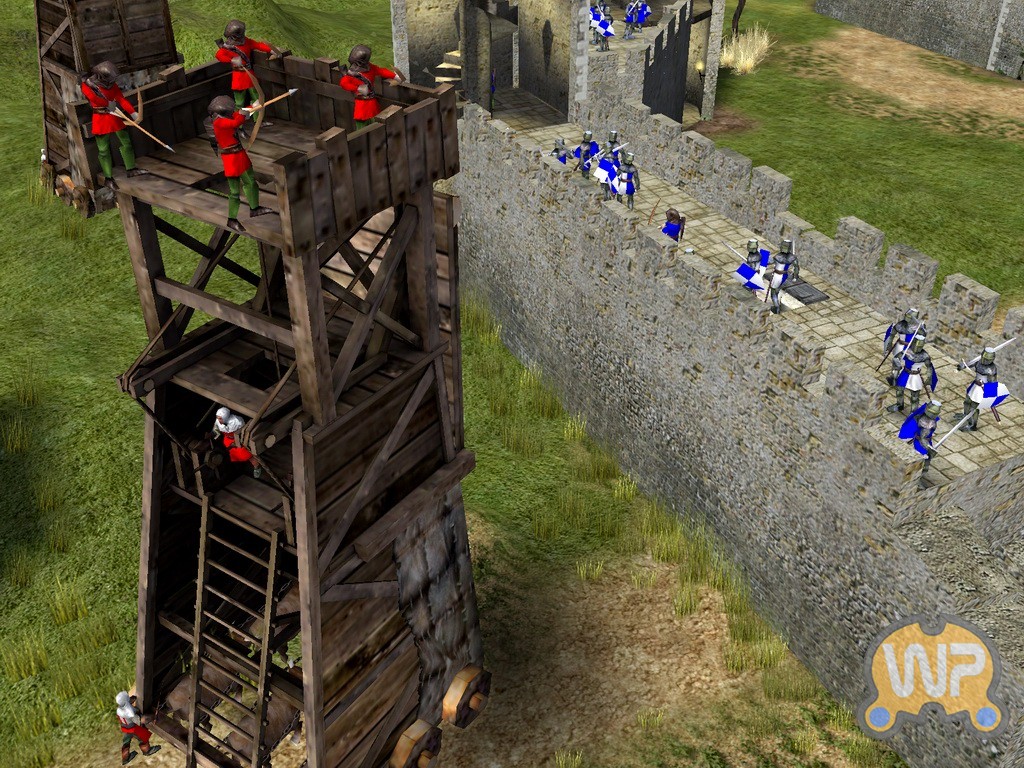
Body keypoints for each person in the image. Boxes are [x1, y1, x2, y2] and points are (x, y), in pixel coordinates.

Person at [207, 96, 274, 233]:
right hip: (231, 159)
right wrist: (245, 113)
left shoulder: (226, 117)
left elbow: (238, 114)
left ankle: (254, 208)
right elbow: (235, 122)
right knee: (234, 192)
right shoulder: (219, 122)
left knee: (251, 182)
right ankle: (232, 220)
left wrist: (253, 106)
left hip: (240, 155)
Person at [80, 61, 149, 190]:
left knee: (126, 143)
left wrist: (133, 113)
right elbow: (94, 99)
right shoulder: (87, 86)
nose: (112, 81)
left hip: (114, 116)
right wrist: (107, 104)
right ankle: (108, 178)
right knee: (103, 150)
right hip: (101, 118)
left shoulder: (111, 85)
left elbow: (121, 99)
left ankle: (131, 169)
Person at [215, 20, 282, 110]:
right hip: (238, 77)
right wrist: (232, 60)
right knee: (239, 103)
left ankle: (257, 118)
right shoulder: (227, 47)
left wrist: (271, 50)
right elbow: (219, 55)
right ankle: (239, 119)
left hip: (250, 76)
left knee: (257, 100)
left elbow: (258, 45)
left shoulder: (246, 41)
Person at [339, 45, 406, 129]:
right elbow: (343, 83)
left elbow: (381, 71)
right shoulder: (351, 74)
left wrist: (395, 77)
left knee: (378, 128)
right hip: (361, 107)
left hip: (373, 105)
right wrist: (358, 88)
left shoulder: (370, 68)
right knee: (362, 132)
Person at [956, 347, 1009, 431]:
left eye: (986, 359)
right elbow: (970, 364)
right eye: (983, 358)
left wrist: (988, 392)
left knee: (974, 407)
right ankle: (965, 415)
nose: (984, 360)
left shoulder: (991, 369)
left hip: (982, 389)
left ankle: (972, 425)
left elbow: (992, 383)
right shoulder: (979, 362)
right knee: (967, 401)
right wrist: (962, 366)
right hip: (975, 385)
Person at [888, 336, 937, 414]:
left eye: (920, 346)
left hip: (915, 376)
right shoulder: (907, 351)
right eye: (917, 345)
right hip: (905, 373)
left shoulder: (925, 355)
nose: (918, 348)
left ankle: (913, 412)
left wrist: (929, 377)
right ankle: (899, 404)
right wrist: (897, 366)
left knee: (915, 396)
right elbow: (896, 358)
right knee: (899, 390)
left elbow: (929, 367)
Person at [213, 407, 262, 477]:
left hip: (240, 439)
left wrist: (238, 440)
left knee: (247, 455)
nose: (219, 420)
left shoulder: (237, 421)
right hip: (229, 441)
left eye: (220, 418)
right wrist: (215, 434)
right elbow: (216, 430)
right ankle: (238, 466)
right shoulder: (218, 422)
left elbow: (244, 431)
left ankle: (256, 466)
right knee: (233, 454)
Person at [883, 308, 925, 387]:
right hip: (900, 346)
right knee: (896, 362)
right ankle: (893, 379)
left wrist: (922, 331)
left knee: (910, 365)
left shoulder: (919, 327)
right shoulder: (900, 325)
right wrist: (889, 344)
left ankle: (907, 381)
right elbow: (892, 334)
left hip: (912, 348)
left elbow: (922, 338)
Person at [116, 691, 160, 765]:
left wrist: (132, 699)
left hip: (125, 728)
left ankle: (125, 758)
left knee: (126, 742)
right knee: (143, 738)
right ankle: (147, 751)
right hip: (133, 728)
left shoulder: (119, 709)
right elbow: (137, 719)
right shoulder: (129, 711)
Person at [899, 400, 941, 473]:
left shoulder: (932, 421)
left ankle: (922, 470)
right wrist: (928, 447)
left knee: (927, 457)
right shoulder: (921, 420)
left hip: (926, 440)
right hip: (918, 441)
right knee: (921, 455)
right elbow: (922, 437)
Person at [767, 239, 798, 314]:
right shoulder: (792, 257)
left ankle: (776, 308)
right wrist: (795, 276)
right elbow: (796, 267)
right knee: (776, 291)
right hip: (783, 276)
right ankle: (776, 305)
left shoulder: (778, 256)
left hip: (777, 276)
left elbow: (769, 262)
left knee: (773, 293)